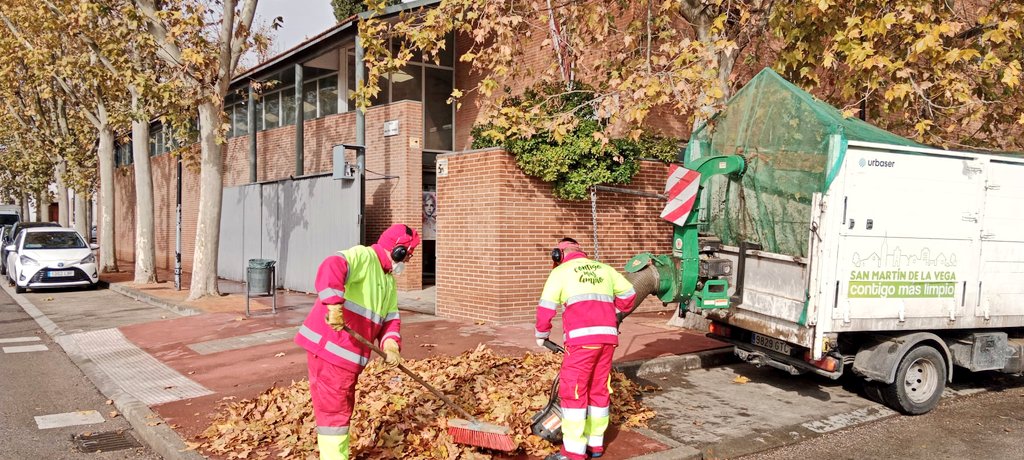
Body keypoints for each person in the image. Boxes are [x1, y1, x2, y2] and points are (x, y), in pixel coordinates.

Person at [294, 224, 421, 460]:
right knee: (335, 415)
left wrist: (391, 345)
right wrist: (333, 304)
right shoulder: (365, 257)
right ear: (398, 251)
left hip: (348, 357)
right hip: (332, 351)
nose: (409, 260)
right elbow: (333, 264)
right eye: (409, 254)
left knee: (341, 409)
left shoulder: (387, 280)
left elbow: (390, 318)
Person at [535, 238, 636, 460]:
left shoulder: (560, 273)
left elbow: (546, 308)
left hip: (581, 344)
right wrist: (615, 313)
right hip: (608, 341)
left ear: (558, 255)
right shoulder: (604, 269)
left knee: (573, 393)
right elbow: (629, 295)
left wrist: (542, 336)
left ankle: (573, 453)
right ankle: (595, 444)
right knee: (598, 390)